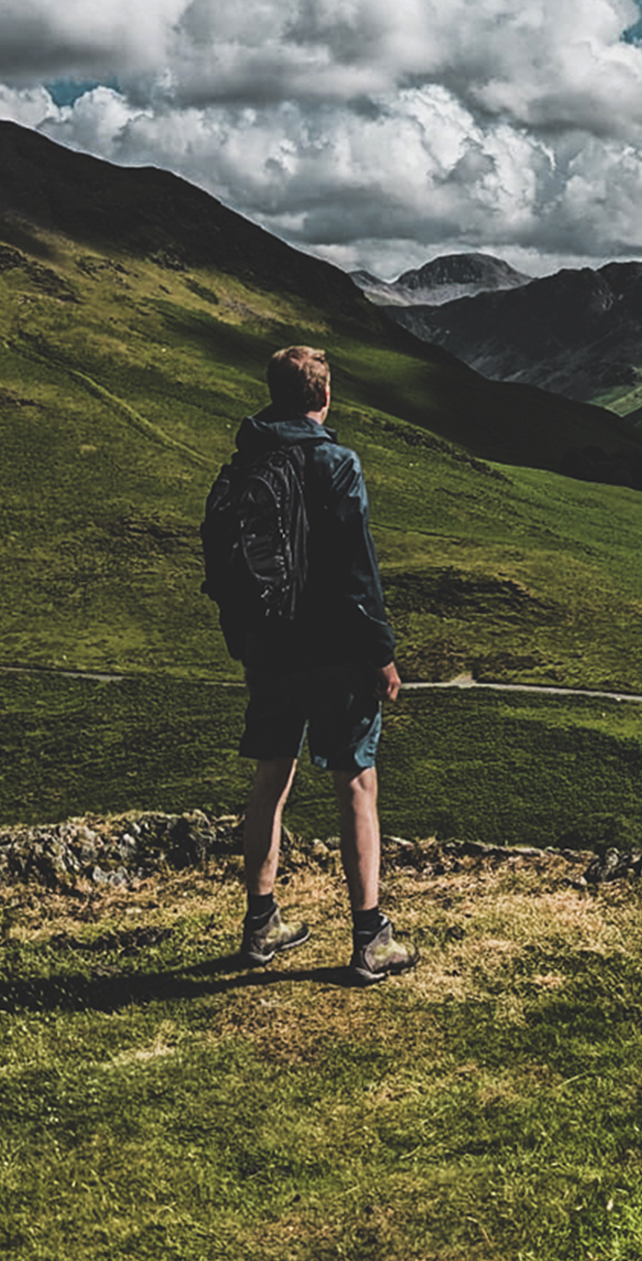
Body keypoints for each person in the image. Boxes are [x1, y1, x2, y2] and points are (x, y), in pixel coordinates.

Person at [232, 344, 417, 984]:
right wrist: (381, 654)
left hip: (268, 649)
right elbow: (355, 566)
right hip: (335, 654)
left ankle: (262, 926)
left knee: (269, 783)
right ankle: (370, 939)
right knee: (355, 786)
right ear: (323, 397)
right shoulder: (336, 462)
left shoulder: (248, 459)